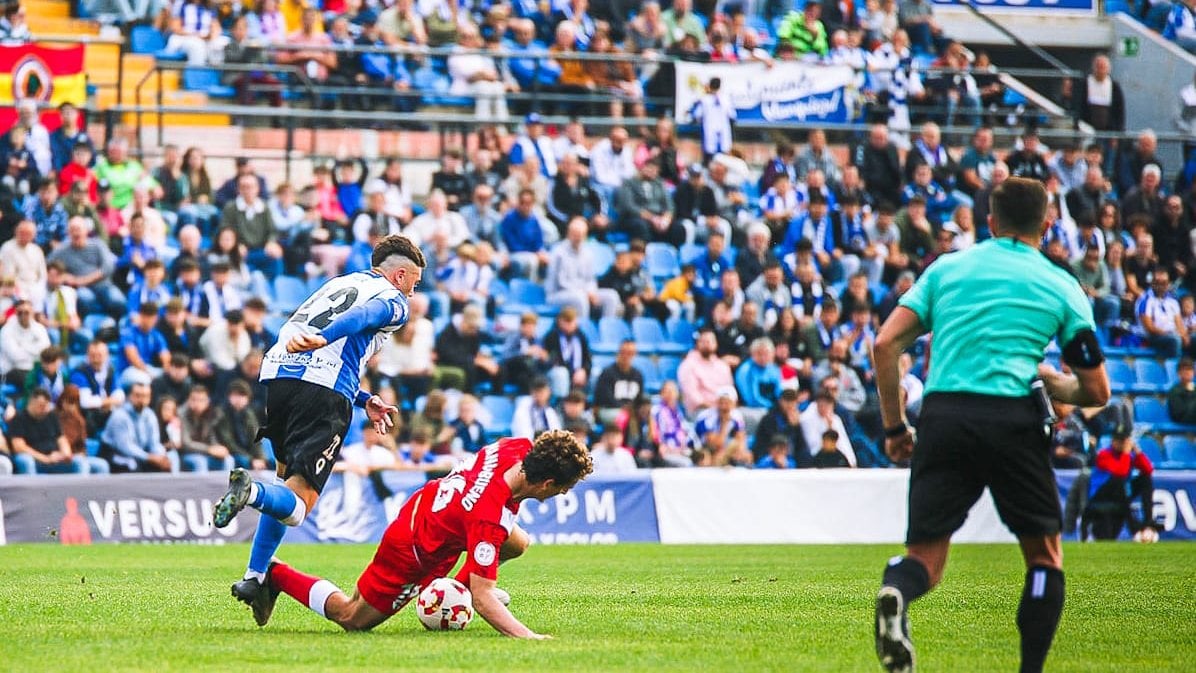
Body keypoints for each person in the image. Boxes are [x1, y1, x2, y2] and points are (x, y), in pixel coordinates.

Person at [869, 177, 1110, 673]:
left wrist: (895, 430)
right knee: (1044, 559)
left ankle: (897, 589)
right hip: (1013, 418)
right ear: (1047, 225)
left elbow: (885, 345)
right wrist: (1050, 379)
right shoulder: (1061, 284)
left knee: (925, 560)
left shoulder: (948, 269)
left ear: (991, 222)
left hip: (945, 416)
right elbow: (1096, 392)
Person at [212, 235, 423, 626]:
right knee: (297, 507)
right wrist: (327, 338)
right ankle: (250, 492)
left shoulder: (338, 283)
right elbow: (363, 317)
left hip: (279, 379)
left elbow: (317, 337)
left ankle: (255, 578)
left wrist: (364, 400)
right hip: (323, 391)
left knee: (285, 484)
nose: (415, 290)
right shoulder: (394, 300)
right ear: (399, 275)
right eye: (414, 281)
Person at [262, 430, 590, 635]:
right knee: (351, 616)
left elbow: (487, 497)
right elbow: (484, 596)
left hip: (433, 506)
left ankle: (448, 592)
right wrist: (528, 638)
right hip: (412, 550)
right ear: (547, 483)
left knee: (517, 542)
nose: (559, 495)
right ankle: (276, 574)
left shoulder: (517, 447)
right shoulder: (488, 518)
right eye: (562, 489)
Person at [1083, 425, 1158, 541]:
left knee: (1145, 479)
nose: (1121, 444)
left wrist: (1138, 452)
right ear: (1113, 441)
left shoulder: (1129, 455)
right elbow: (1120, 472)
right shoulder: (1104, 455)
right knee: (1118, 482)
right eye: (1118, 441)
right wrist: (1127, 453)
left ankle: (1148, 522)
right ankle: (1135, 528)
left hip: (1121, 495)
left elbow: (1148, 469)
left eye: (1124, 441)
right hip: (1101, 494)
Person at [100, 381, 177, 473]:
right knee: (132, 465)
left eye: (146, 396)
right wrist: (149, 458)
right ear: (129, 396)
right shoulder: (120, 416)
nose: (142, 400)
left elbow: (154, 443)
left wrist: (161, 457)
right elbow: (125, 447)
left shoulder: (150, 415)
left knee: (165, 465)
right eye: (138, 395)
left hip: (139, 452)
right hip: (114, 453)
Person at [9, 388, 89, 475]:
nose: (44, 409)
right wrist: (45, 458)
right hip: (35, 459)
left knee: (79, 462)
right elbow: (19, 447)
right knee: (25, 460)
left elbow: (61, 439)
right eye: (41, 406)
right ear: (32, 402)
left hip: (55, 458)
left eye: (46, 405)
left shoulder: (51, 416)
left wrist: (65, 454)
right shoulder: (19, 419)